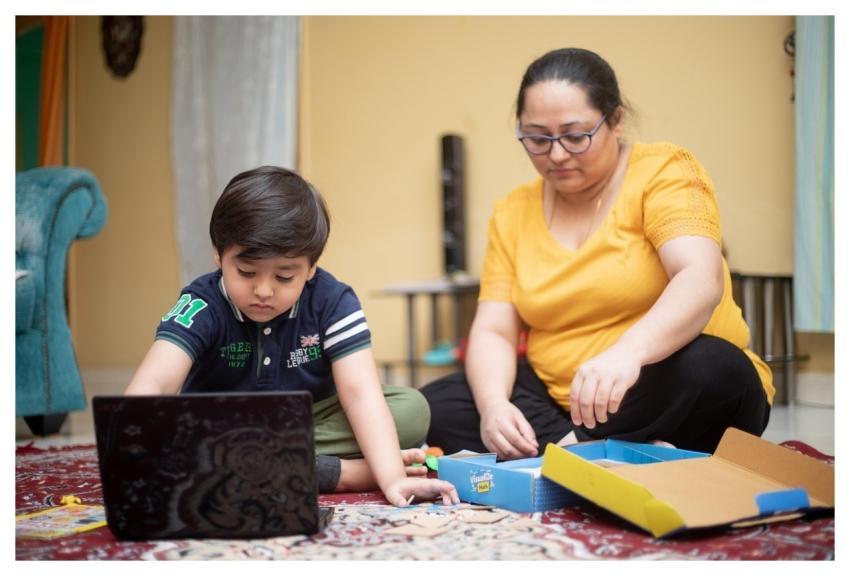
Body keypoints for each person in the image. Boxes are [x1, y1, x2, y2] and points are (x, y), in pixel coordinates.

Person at [422, 47, 773, 459]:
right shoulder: (513, 210)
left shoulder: (664, 170)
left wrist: (629, 353)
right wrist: (495, 408)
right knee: (437, 403)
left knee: (715, 367)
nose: (556, 154)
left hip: (653, 385)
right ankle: (604, 449)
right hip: (563, 399)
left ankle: (565, 450)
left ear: (617, 119)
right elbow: (495, 330)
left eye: (575, 136)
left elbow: (700, 278)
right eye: (537, 138)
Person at [126, 166, 458, 507]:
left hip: (303, 422)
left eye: (285, 277)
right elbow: (155, 381)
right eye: (246, 272)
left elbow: (360, 395)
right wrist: (134, 441)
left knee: (411, 409)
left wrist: (391, 479)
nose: (264, 290)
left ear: (311, 267)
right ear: (218, 254)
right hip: (219, 428)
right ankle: (341, 473)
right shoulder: (202, 303)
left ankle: (245, 465)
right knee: (174, 433)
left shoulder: (332, 300)